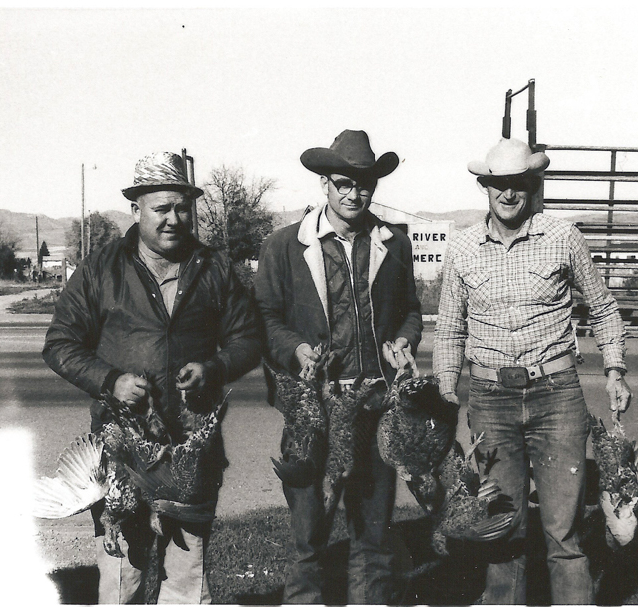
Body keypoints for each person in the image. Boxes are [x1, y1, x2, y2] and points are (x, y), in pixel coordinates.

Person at [43, 151, 261, 604]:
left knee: (188, 573)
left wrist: (214, 368)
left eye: (183, 208)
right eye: (161, 208)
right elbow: (60, 343)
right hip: (122, 446)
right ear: (136, 208)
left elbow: (248, 338)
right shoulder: (101, 269)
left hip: (191, 445)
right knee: (124, 572)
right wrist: (110, 381)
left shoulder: (214, 267)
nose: (174, 220)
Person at [433, 138, 632, 604]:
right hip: (490, 400)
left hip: (557, 396)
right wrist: (445, 393)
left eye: (517, 184)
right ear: (485, 186)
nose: (508, 194)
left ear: (531, 184)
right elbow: (448, 331)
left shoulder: (563, 237)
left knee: (563, 532)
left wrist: (615, 368)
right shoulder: (461, 247)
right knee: (503, 529)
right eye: (498, 185)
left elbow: (603, 308)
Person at [254, 129, 423, 603]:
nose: (355, 193)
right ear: (324, 184)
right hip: (316, 409)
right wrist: (295, 350)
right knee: (310, 536)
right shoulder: (285, 246)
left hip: (376, 404)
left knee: (372, 536)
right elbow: (264, 317)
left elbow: (410, 310)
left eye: (364, 184)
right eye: (344, 183)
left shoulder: (394, 244)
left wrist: (404, 340)